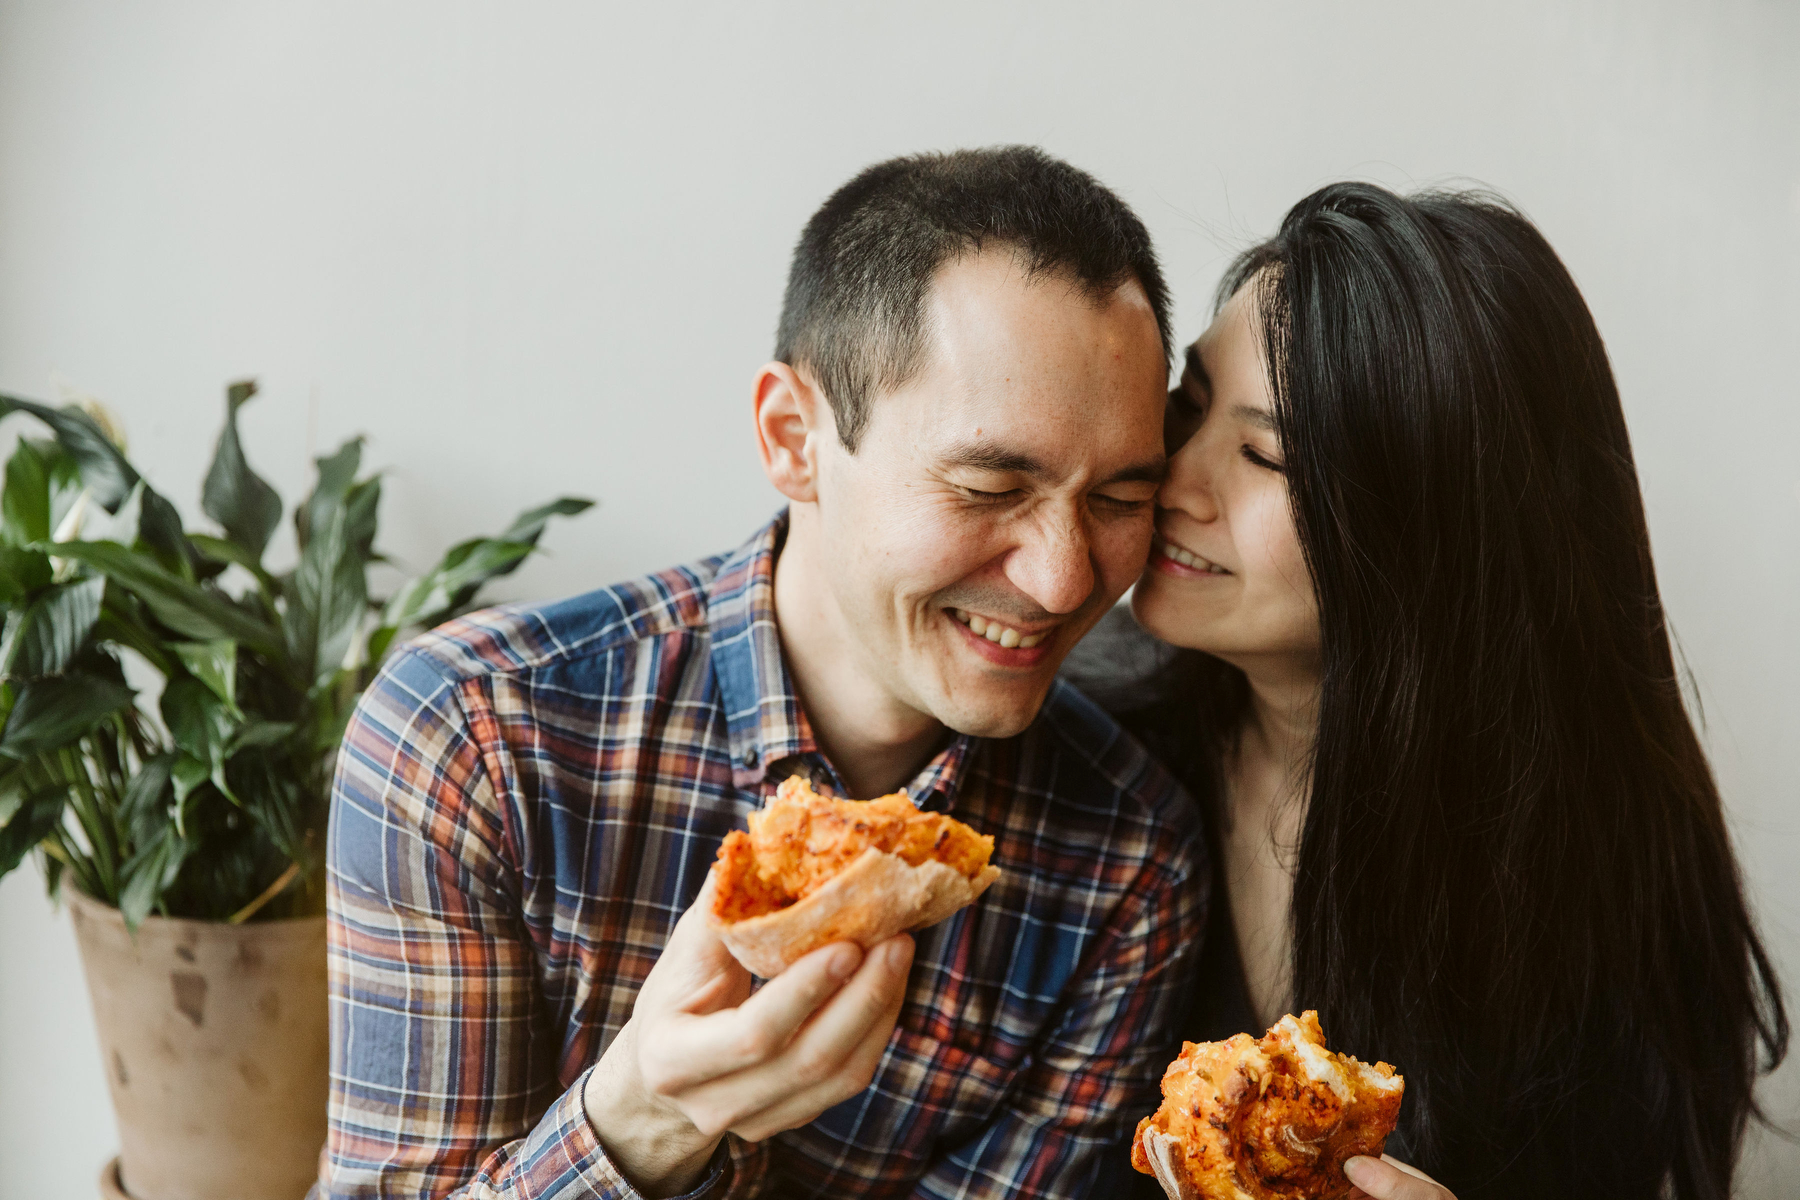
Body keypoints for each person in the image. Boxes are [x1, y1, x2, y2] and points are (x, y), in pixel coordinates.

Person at [319, 146, 1206, 1200]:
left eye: (1117, 499)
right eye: (987, 486)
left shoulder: (1130, 865)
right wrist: (641, 1117)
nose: (1063, 580)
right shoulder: (473, 737)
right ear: (794, 440)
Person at [1066, 182, 1788, 1200]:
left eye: (1266, 454)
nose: (1176, 479)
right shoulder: (1082, 737)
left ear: (1425, 529)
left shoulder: (1585, 869)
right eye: (1185, 411)